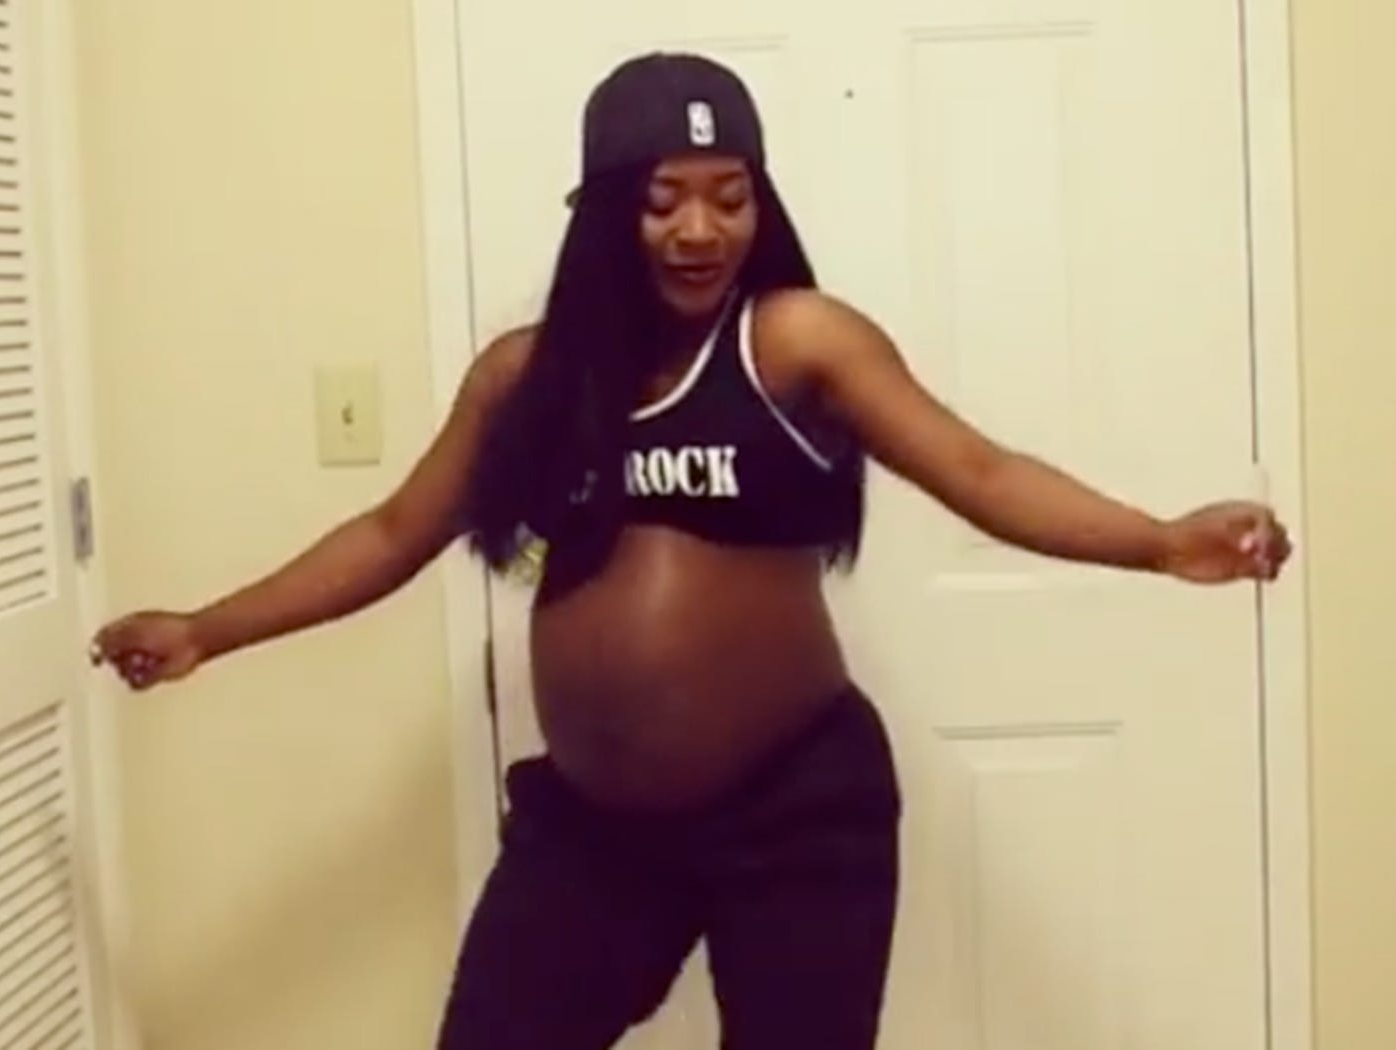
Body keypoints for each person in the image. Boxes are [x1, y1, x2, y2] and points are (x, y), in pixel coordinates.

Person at [90, 52, 1293, 1050]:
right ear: (604, 209)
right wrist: (207, 629)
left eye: (731, 195)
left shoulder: (795, 343)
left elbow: (979, 472)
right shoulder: (525, 379)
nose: (699, 230)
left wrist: (1155, 542)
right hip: (593, 831)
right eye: (663, 198)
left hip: (796, 811)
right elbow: (393, 532)